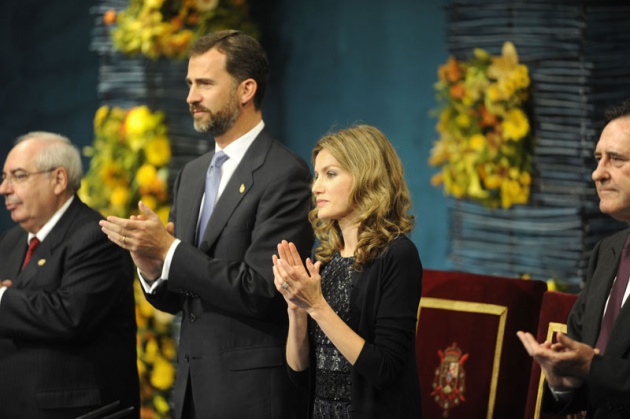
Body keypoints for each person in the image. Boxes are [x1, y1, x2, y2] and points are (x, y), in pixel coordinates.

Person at [100, 30, 313, 419]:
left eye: (205, 84)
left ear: (246, 89)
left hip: (252, 397)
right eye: (189, 84)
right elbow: (180, 297)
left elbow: (263, 289)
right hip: (192, 393)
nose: (190, 97)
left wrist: (170, 252)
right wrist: (151, 266)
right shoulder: (192, 174)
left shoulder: (285, 174)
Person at [272, 125, 423, 418]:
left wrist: (317, 306)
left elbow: (385, 370)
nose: (316, 187)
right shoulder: (325, 260)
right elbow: (299, 374)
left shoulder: (398, 255)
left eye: (330, 174)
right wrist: (297, 309)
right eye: (317, 175)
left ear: (367, 177)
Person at [0, 132, 140, 419]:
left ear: (59, 180)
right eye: (4, 177)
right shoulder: (11, 242)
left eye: (18, 176)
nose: (4, 188)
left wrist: (4, 298)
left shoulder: (95, 236)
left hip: (71, 411)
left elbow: (69, 315)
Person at [517, 98, 630, 418]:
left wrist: (590, 366)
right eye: (597, 159)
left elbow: (593, 363)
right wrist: (562, 379)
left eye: (615, 159)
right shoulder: (606, 253)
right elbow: (576, 358)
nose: (598, 173)